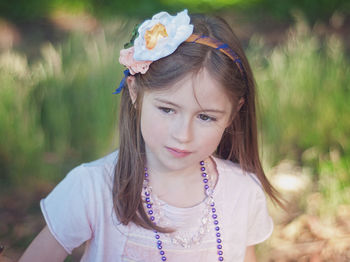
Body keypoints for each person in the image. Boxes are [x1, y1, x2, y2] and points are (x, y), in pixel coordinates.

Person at [19, 9, 282, 262]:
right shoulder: (92, 189)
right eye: (167, 109)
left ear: (234, 113)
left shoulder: (242, 193)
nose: (183, 135)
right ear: (135, 93)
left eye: (205, 117)